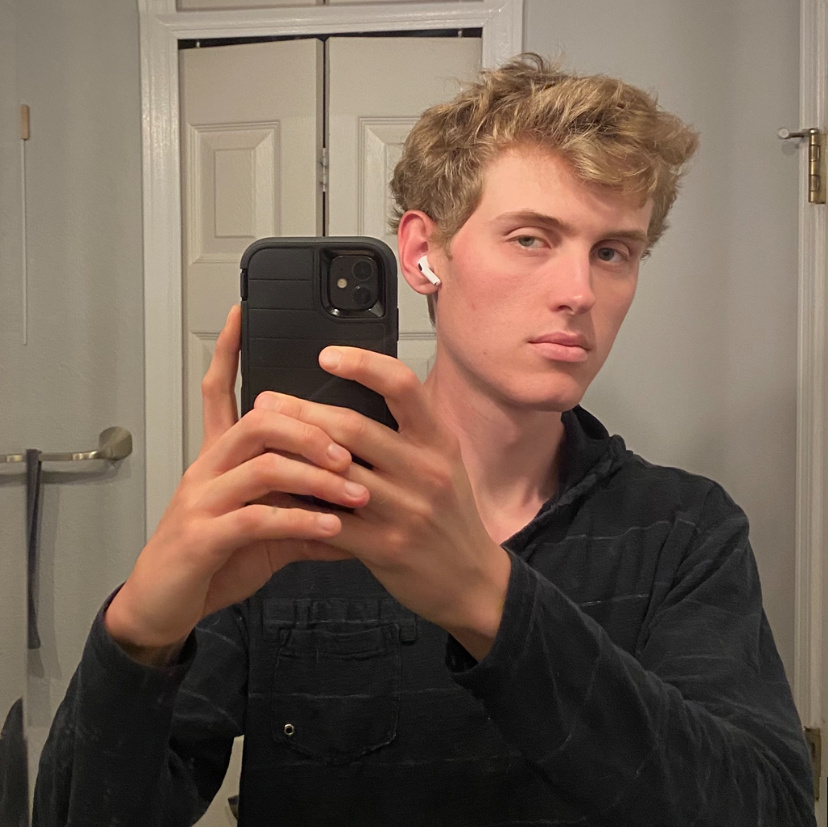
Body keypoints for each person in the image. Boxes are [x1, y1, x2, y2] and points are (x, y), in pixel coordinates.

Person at [33, 54, 815, 826]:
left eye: (613, 252)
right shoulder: (299, 507)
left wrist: (487, 599)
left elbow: (773, 810)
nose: (579, 292)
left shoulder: (683, 532)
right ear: (422, 254)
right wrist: (137, 634)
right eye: (531, 239)